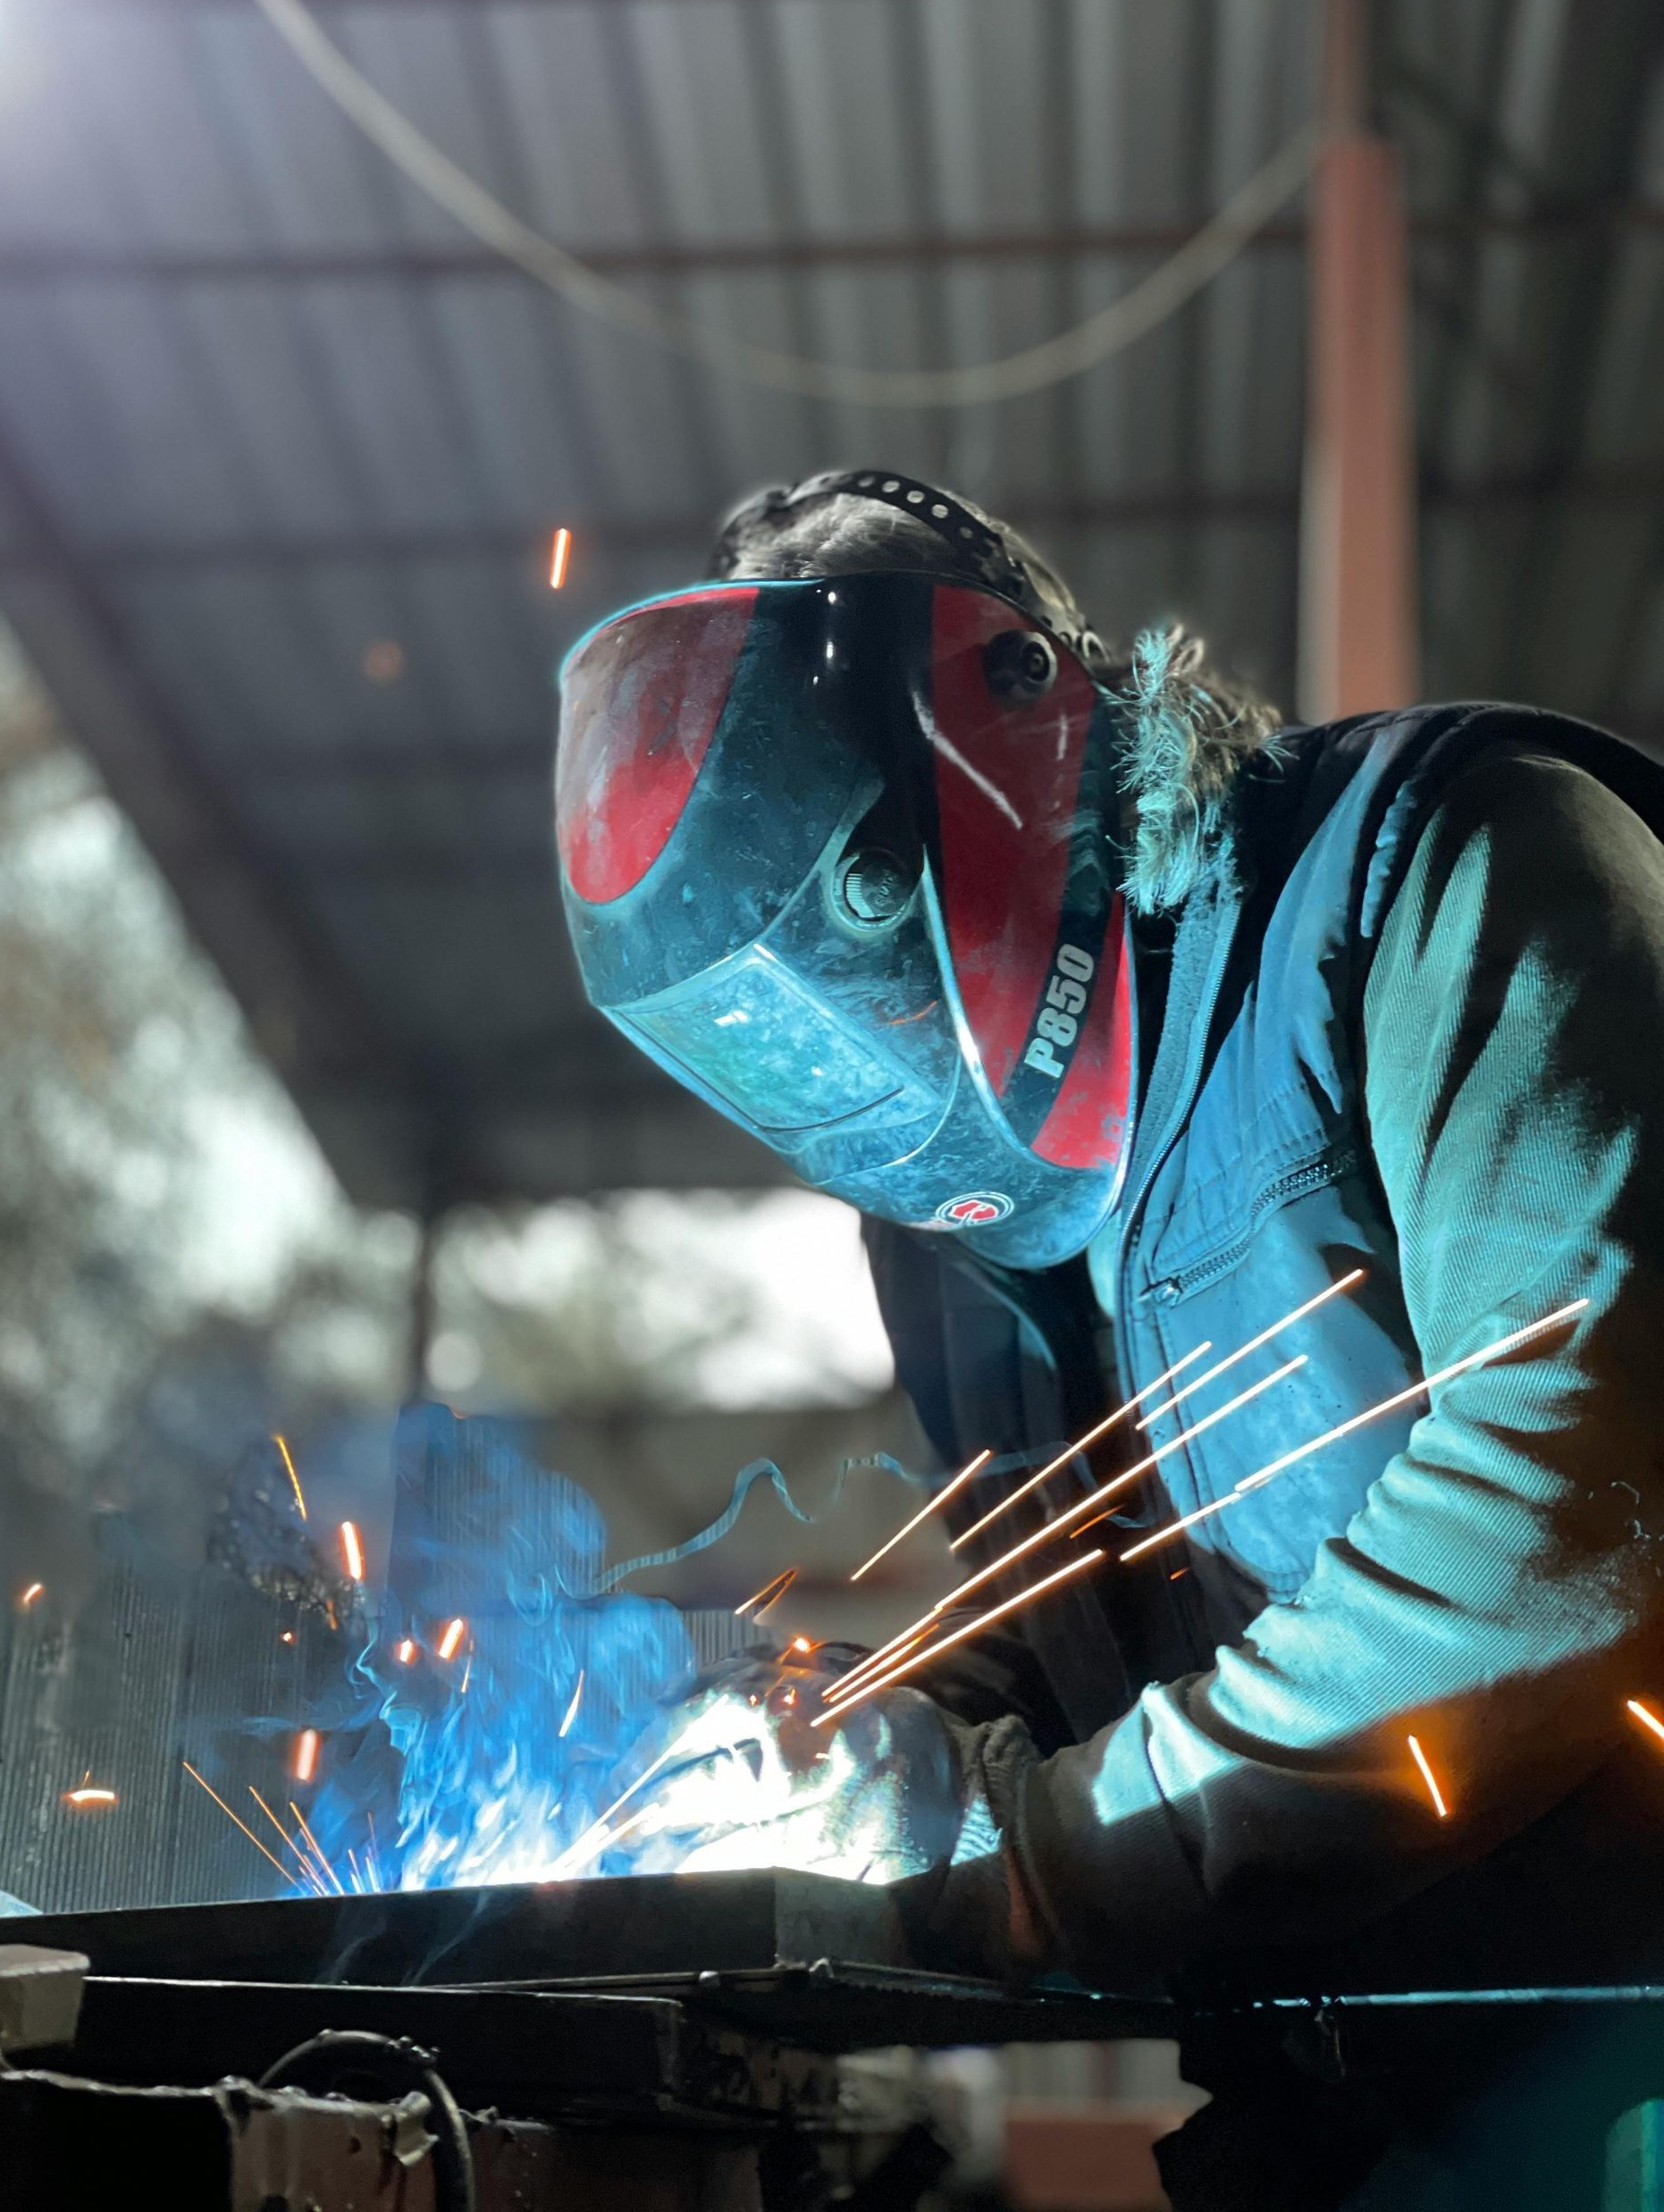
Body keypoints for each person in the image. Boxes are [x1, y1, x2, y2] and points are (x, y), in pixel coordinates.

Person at [553, 468, 1664, 2207]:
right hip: (1354, 2069)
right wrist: (850, 1756)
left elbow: (1569, 1513)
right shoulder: (949, 1229)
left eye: (850, 926)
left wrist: (1018, 1862)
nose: (855, 1062)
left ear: (1020, 728)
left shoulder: (1443, 868)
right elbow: (1063, 1616)